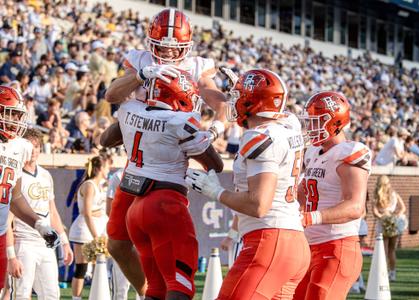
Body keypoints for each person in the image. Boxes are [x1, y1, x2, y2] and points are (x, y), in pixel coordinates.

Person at [104, 8, 226, 296]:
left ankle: (153, 291)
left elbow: (218, 101)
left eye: (176, 50)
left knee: (162, 255)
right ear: (150, 42)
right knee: (117, 243)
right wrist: (141, 75)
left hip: (171, 151)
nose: (169, 56)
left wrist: (219, 125)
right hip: (139, 154)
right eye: (162, 48)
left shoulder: (197, 67)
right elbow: (111, 95)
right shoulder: (141, 61)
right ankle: (146, 288)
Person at [186, 69, 310, 299]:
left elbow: (259, 205)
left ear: (252, 102)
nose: (234, 101)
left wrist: (215, 191)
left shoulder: (259, 138)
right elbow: (275, 115)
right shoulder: (288, 126)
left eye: (239, 96)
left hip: (269, 241)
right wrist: (249, 93)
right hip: (295, 244)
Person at [293, 91, 372, 300]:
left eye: (316, 121)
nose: (310, 127)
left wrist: (310, 217)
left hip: (337, 246)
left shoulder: (349, 152)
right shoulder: (312, 153)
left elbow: (356, 207)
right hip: (309, 246)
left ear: (335, 121)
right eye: (310, 121)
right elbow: (299, 196)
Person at [0, 86, 59, 294]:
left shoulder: (20, 147)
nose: (16, 119)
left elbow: (14, 196)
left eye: (18, 114)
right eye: (11, 113)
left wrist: (39, 224)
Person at [6, 128, 74, 299]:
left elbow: (52, 211)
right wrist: (11, 256)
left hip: (46, 243)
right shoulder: (15, 175)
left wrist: (64, 241)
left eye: (37, 146)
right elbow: (7, 220)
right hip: (23, 242)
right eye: (30, 146)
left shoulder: (45, 174)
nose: (34, 150)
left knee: (52, 294)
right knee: (20, 294)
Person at [68, 155, 111, 300]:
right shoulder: (89, 185)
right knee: (81, 268)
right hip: (84, 231)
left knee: (99, 267)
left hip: (97, 230)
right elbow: (86, 212)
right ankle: (76, 298)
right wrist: (96, 237)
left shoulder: (101, 185)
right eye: (107, 167)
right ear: (99, 169)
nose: (108, 170)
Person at [373, 175, 406, 282]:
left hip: (386, 223)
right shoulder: (391, 194)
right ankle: (391, 273)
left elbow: (375, 212)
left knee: (385, 251)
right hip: (390, 224)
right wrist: (393, 217)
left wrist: (384, 218)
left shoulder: (380, 195)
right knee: (391, 250)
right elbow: (403, 208)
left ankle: (386, 273)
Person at [106, 168, 132, 300]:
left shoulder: (152, 170)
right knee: (121, 289)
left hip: (145, 237)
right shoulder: (118, 176)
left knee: (148, 289)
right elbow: (109, 210)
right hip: (125, 237)